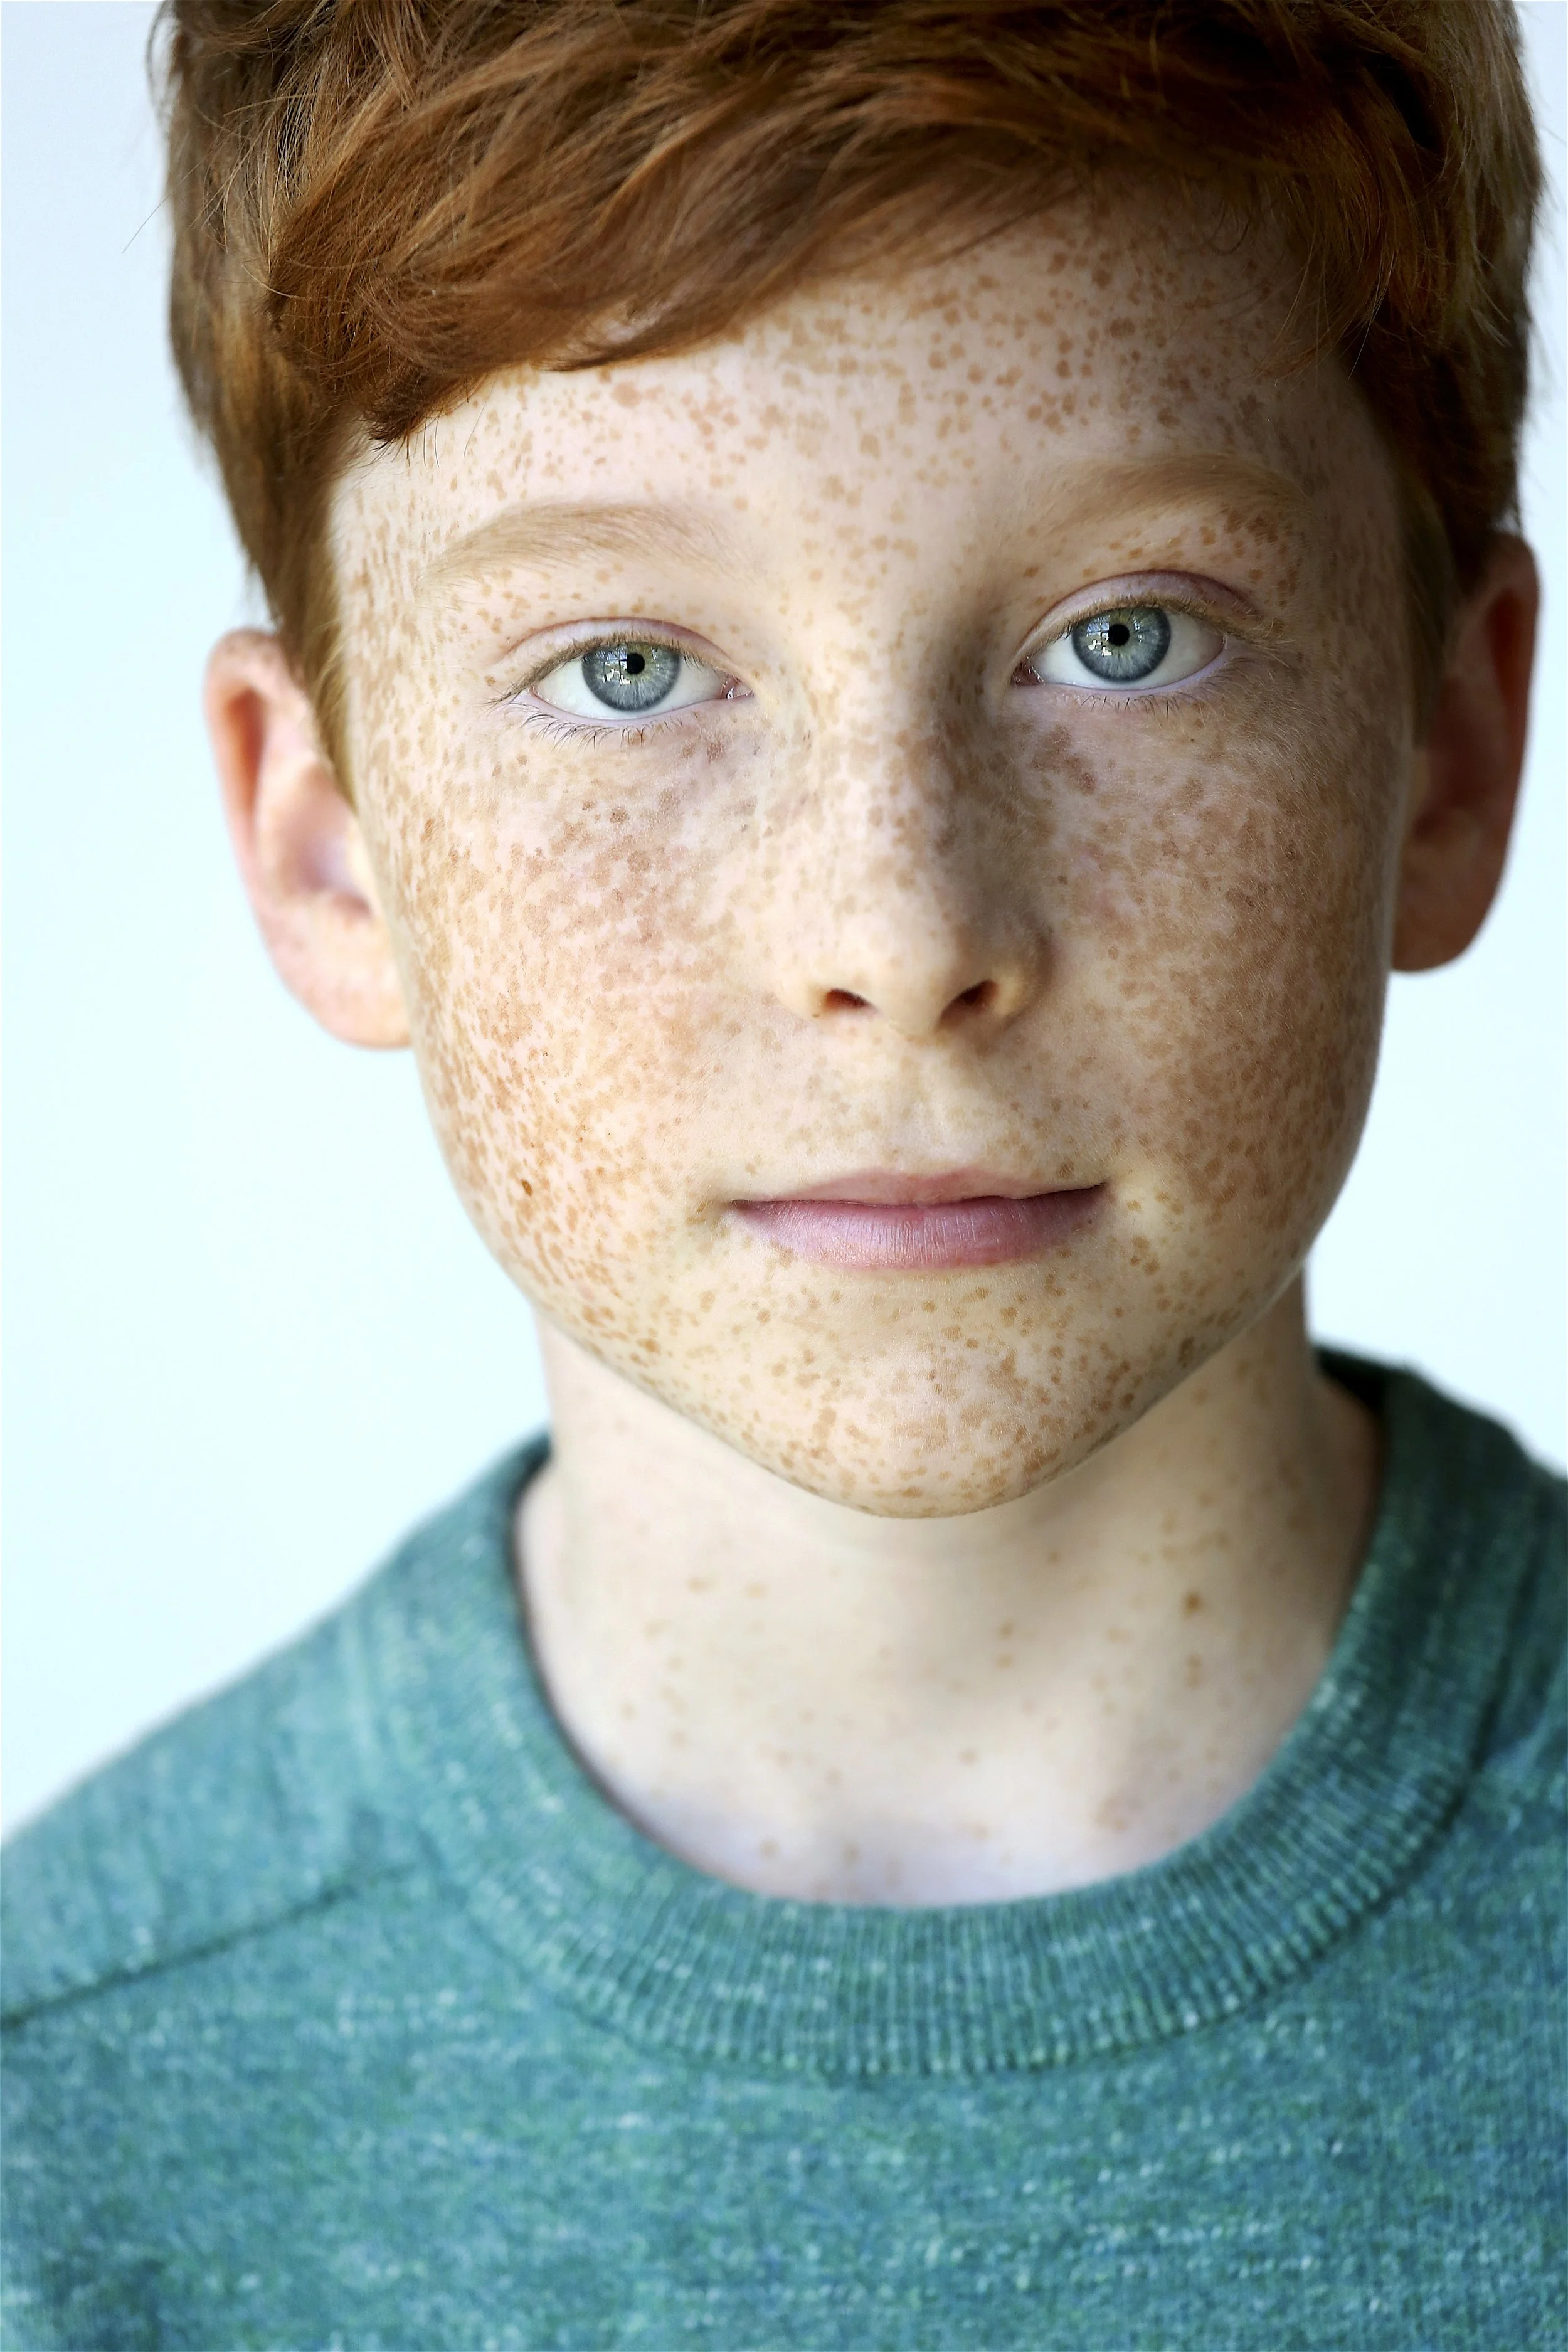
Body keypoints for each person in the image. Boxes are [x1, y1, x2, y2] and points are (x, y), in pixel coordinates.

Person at [3, 1, 1561, 2343]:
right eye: (627, 670)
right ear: (322, 844)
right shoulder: (73, 2138)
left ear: (1445, 755)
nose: (901, 935)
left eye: (1121, 640)